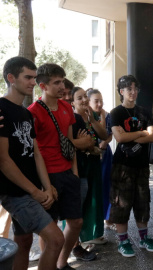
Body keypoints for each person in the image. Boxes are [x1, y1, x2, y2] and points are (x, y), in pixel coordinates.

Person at [1, 56, 64, 270]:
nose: (33, 82)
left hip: (33, 189)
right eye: (28, 77)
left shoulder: (25, 113)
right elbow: (4, 161)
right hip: (16, 193)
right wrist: (35, 192)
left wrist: (47, 187)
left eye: (34, 78)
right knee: (56, 240)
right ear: (11, 78)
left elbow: (36, 153)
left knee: (24, 242)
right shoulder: (2, 109)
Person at [28, 63, 83, 270]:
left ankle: (61, 263)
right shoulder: (33, 112)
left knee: (76, 222)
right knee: (50, 229)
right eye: (57, 82)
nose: (63, 87)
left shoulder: (67, 107)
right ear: (43, 86)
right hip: (47, 177)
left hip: (68, 173)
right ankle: (49, 264)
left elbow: (69, 144)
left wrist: (75, 173)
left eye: (62, 81)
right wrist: (44, 184)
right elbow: (34, 152)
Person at [109, 75, 153, 257]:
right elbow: (119, 138)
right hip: (122, 166)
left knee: (142, 203)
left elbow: (152, 137)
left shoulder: (144, 112)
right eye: (129, 89)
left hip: (142, 165)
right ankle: (123, 241)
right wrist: (142, 132)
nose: (133, 92)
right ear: (121, 92)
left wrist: (134, 134)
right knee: (121, 204)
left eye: (135, 89)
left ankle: (144, 238)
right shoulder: (116, 113)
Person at [70, 86, 108, 258]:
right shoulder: (72, 119)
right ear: (73, 102)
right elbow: (78, 143)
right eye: (79, 98)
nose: (84, 100)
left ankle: (87, 238)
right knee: (78, 205)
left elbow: (103, 134)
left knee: (92, 201)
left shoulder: (89, 116)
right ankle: (74, 244)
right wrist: (88, 144)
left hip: (93, 166)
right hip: (80, 166)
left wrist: (92, 120)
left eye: (85, 96)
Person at [87, 89, 115, 231]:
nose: (99, 104)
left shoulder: (107, 115)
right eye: (96, 101)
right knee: (94, 189)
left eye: (101, 100)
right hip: (91, 155)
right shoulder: (85, 117)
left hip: (105, 155)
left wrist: (103, 144)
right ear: (88, 102)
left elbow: (110, 134)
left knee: (107, 186)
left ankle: (109, 219)